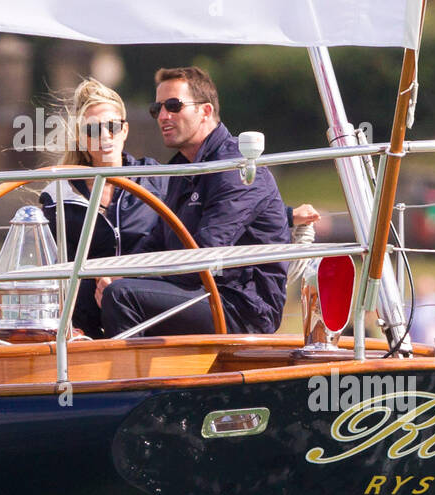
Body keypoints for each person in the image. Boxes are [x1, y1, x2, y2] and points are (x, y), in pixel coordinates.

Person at [97, 66, 318, 336]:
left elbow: (204, 254)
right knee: (97, 284)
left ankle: (136, 378)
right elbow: (158, 240)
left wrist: (126, 281)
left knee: (123, 295)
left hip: (242, 307)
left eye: (174, 105)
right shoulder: (182, 169)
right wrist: (113, 272)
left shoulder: (236, 166)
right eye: (157, 109)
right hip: (202, 293)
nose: (163, 116)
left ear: (205, 111)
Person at [38, 78, 167, 337]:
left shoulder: (157, 180)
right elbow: (47, 265)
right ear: (81, 138)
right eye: (93, 130)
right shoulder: (58, 194)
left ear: (125, 131)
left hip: (144, 313)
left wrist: (125, 280)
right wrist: (60, 322)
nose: (105, 136)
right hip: (81, 326)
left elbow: (174, 245)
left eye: (112, 127)